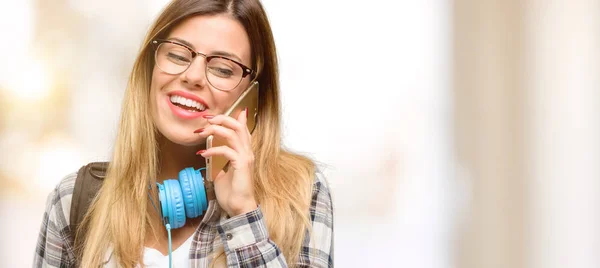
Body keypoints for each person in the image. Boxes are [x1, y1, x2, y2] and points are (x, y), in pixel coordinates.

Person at [33, 0, 334, 267]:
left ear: (253, 95)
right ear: (150, 67)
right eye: (177, 55)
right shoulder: (75, 200)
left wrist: (243, 214)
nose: (191, 76)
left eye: (222, 69)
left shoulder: (301, 193)